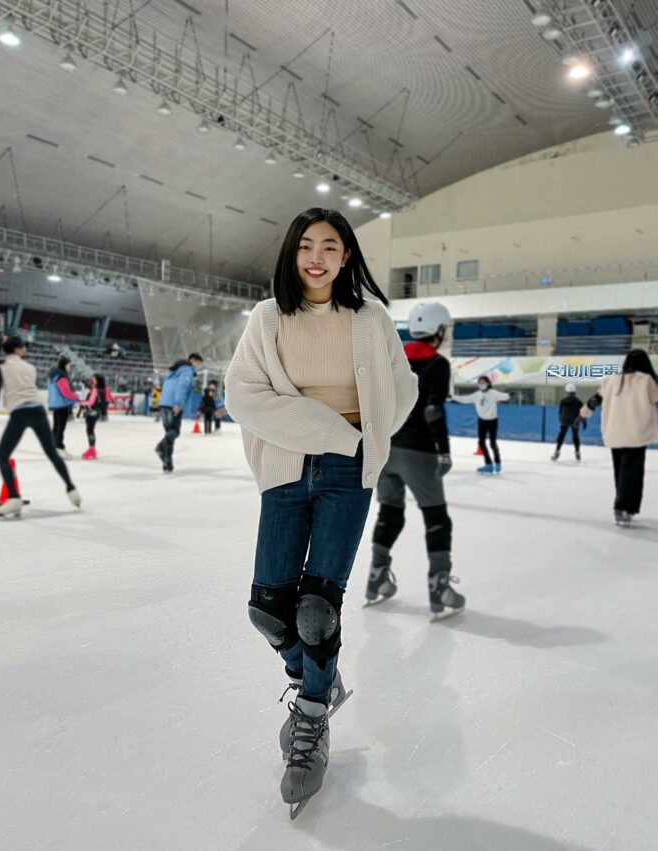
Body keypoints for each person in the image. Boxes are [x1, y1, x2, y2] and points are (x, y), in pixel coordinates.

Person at [225, 207, 418, 818]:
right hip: (285, 465)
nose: (317, 256)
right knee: (268, 607)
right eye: (306, 245)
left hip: (346, 472)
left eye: (330, 247)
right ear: (291, 253)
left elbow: (402, 388)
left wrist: (366, 442)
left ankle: (310, 720)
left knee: (317, 605)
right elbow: (243, 394)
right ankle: (319, 675)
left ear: (346, 256)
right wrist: (330, 429)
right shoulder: (267, 317)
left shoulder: (369, 317)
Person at [367, 302, 465, 619]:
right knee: (437, 517)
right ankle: (439, 587)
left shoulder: (392, 357)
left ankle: (377, 576)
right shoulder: (437, 363)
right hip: (419, 451)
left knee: (390, 513)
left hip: (385, 448)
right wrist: (444, 449)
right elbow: (433, 409)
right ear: (439, 329)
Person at [0, 336, 81, 517]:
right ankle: (71, 489)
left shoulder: (0, 368)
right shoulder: (30, 368)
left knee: (2, 458)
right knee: (52, 454)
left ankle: (13, 498)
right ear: (19, 349)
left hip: (19, 413)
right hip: (38, 411)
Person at [580, 349, 658, 527]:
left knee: (621, 471)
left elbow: (595, 399)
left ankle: (628, 508)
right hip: (636, 434)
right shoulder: (647, 380)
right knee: (633, 472)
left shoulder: (610, 380)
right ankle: (622, 507)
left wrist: (584, 413)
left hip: (614, 432)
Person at [155, 353, 203, 472]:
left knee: (169, 434)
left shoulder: (173, 371)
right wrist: (178, 403)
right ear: (193, 360)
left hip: (164, 404)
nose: (198, 366)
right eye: (198, 363)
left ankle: (168, 464)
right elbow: (182, 386)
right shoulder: (186, 370)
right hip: (173, 404)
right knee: (174, 431)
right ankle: (161, 447)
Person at [453, 376, 510, 474]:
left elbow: (503, 396)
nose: (481, 384)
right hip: (482, 421)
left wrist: (509, 395)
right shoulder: (477, 395)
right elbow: (465, 399)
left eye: (483, 382)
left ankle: (497, 462)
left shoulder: (493, 393)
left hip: (492, 421)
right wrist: (454, 397)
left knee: (492, 443)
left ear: (488, 383)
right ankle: (488, 464)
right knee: (481, 443)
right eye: (479, 383)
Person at [48, 356, 79, 459]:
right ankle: (59, 448)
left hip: (56, 404)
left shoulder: (54, 375)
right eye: (69, 365)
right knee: (60, 428)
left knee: (56, 427)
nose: (70, 367)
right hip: (62, 405)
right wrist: (76, 396)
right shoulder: (61, 376)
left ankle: (53, 448)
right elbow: (65, 391)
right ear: (64, 364)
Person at [78, 374, 113, 459]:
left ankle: (92, 449)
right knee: (91, 429)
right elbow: (109, 399)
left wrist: (80, 403)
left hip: (92, 412)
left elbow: (90, 402)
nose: (91, 380)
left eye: (93, 379)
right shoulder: (105, 388)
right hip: (98, 412)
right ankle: (92, 449)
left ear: (97, 380)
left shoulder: (95, 389)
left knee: (89, 430)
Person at [552, 383, 584, 462]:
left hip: (564, 421)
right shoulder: (578, 401)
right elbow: (583, 412)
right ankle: (577, 452)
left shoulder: (563, 400)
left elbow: (560, 412)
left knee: (561, 437)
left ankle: (557, 451)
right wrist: (583, 421)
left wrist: (561, 420)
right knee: (575, 436)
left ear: (566, 391)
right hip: (575, 421)